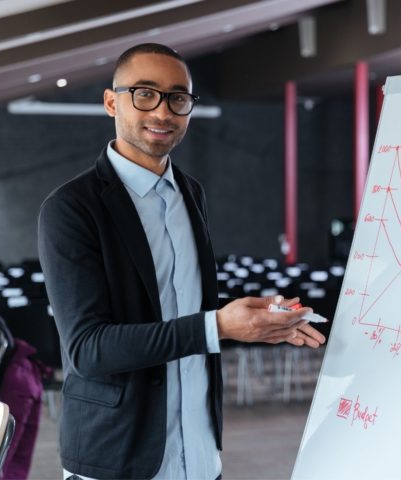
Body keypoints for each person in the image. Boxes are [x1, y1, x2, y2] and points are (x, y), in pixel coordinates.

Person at [37, 43, 326, 480]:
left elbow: (177, 300)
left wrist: (251, 314)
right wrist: (219, 326)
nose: (163, 112)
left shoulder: (190, 193)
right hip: (119, 456)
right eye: (145, 93)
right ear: (112, 101)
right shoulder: (71, 207)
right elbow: (88, 350)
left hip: (200, 449)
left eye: (178, 98)